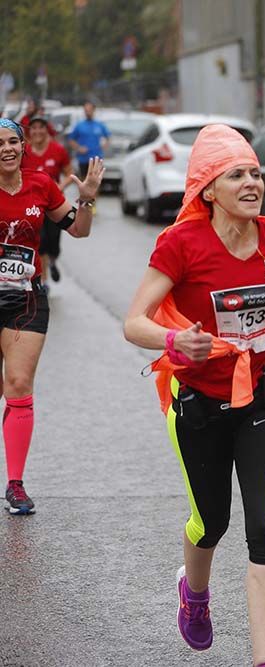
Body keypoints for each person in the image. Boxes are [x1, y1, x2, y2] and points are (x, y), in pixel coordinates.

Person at [123, 124, 265, 667]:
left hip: (264, 398)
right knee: (212, 522)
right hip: (198, 405)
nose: (252, 182)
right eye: (237, 174)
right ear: (209, 189)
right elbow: (133, 322)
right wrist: (173, 339)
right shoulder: (181, 244)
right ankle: (196, 594)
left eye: (255, 172)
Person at [0, 118, 103, 514]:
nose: (8, 148)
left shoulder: (40, 185)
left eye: (14, 141)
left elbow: (79, 230)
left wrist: (88, 198)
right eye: (1, 143)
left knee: (19, 382)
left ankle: (15, 484)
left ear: (24, 146)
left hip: (25, 298)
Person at [20, 115, 73, 287]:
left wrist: (59, 186)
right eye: (33, 128)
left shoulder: (58, 150)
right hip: (31, 205)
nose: (37, 131)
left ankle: (52, 260)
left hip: (54, 204)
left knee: (53, 242)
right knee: (40, 241)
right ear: (29, 132)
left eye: (40, 127)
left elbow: (70, 173)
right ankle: (44, 281)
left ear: (46, 130)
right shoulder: (23, 151)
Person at [66, 101, 109, 176]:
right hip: (83, 159)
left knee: (96, 182)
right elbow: (71, 140)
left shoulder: (99, 125)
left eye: (89, 110)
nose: (87, 112)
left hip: (96, 159)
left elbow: (108, 137)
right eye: (86, 110)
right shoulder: (79, 125)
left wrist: (104, 145)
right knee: (84, 181)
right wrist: (79, 148)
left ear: (94, 110)